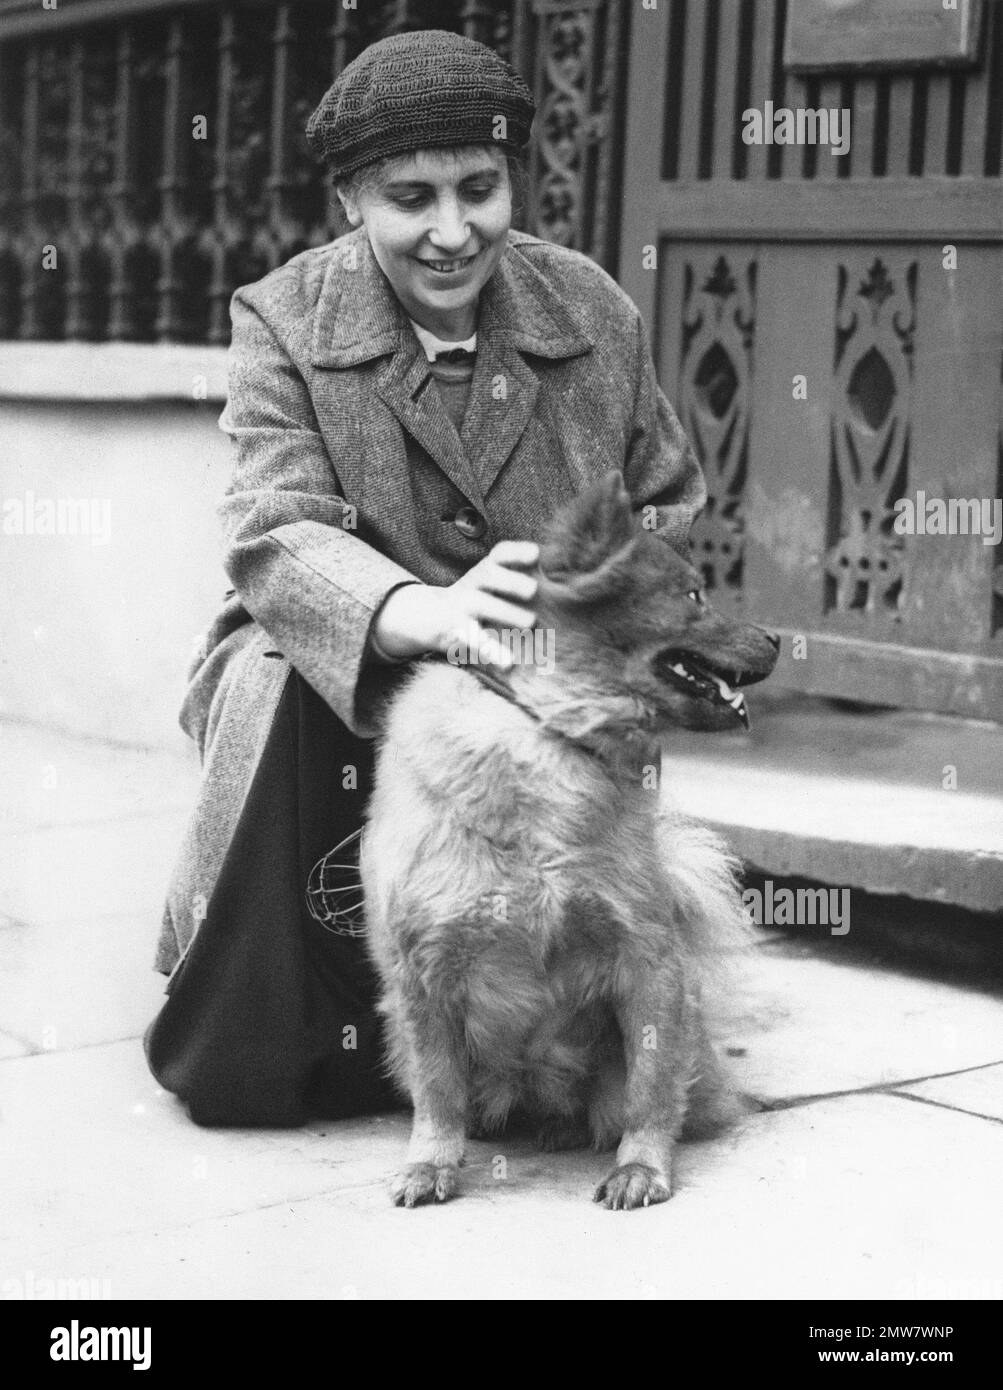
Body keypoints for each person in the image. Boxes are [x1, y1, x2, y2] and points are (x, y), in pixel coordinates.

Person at [144, 29, 706, 1126]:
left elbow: (666, 505)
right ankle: (280, 1017)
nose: (452, 233)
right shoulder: (283, 319)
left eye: (479, 189)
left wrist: (560, 613)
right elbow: (273, 526)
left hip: (537, 690)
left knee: (568, 1038)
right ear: (354, 197)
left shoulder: (591, 309)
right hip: (339, 684)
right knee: (248, 1077)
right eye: (411, 197)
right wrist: (420, 612)